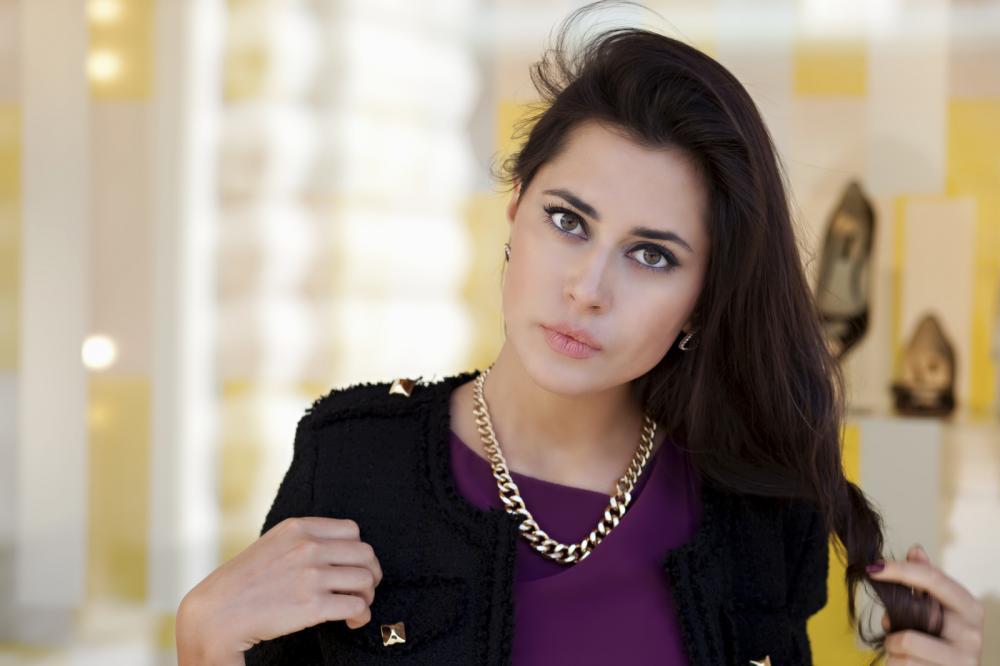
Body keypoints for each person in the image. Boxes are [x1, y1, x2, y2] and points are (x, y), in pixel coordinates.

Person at [175, 2, 986, 664]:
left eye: (651, 255)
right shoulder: (355, 460)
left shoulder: (762, 511)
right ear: (515, 211)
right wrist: (205, 644)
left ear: (702, 300)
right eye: (568, 221)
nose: (587, 289)